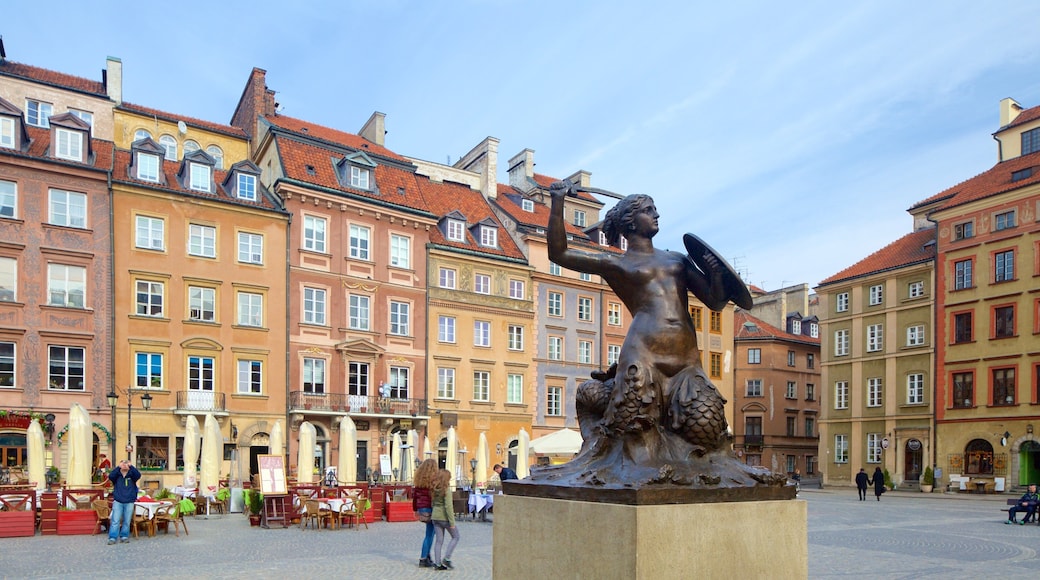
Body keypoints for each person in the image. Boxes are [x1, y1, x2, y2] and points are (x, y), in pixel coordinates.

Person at [431, 468, 460, 570]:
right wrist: (452, 522)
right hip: (444, 517)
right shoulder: (446, 489)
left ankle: (437, 563)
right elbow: (448, 506)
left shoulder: (434, 488)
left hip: (435, 516)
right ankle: (447, 558)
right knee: (456, 536)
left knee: (439, 541)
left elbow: (433, 503)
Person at [107, 459, 141, 544]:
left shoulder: (132, 475)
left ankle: (124, 536)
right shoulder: (117, 475)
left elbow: (138, 475)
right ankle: (112, 537)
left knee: (127, 520)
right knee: (115, 520)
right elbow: (110, 476)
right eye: (123, 464)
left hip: (129, 500)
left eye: (126, 464)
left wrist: (131, 466)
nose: (124, 465)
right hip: (118, 500)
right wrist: (118, 467)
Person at [412, 459, 438, 567]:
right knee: (430, 534)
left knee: (429, 533)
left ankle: (427, 556)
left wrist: (415, 510)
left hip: (422, 509)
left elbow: (415, 496)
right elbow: (434, 497)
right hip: (431, 508)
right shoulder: (433, 481)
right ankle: (423, 558)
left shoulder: (419, 480)